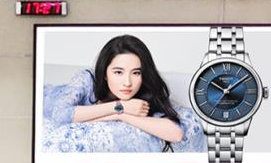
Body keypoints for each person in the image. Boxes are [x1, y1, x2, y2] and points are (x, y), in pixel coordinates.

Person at [41, 34, 206, 153]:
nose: (127, 82)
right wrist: (120, 106)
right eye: (118, 72)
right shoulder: (87, 79)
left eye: (136, 73)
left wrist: (121, 115)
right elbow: (60, 116)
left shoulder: (144, 92)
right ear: (105, 73)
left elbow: (176, 134)